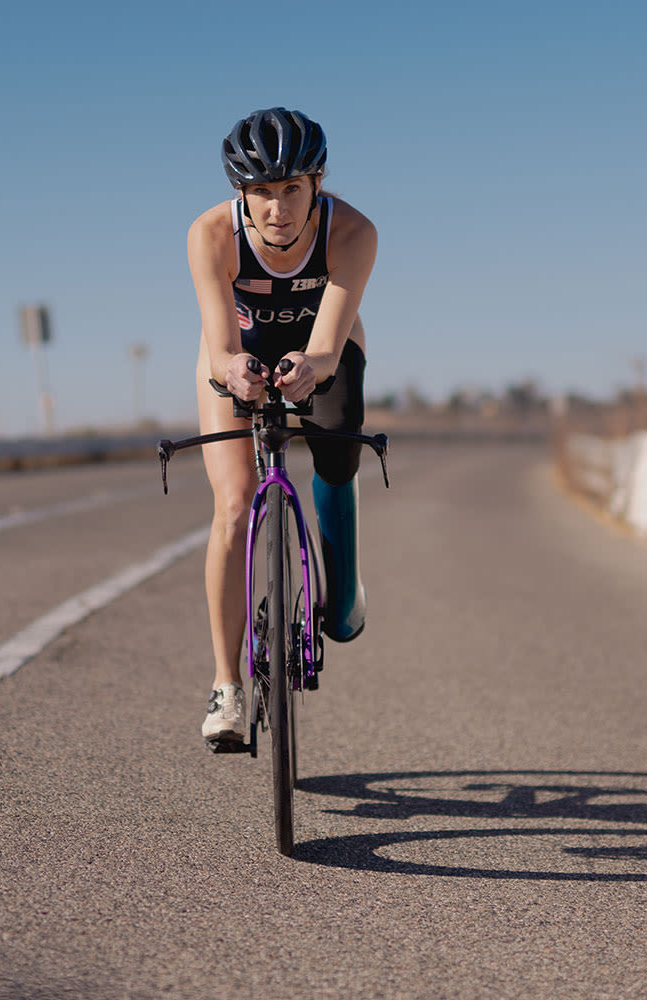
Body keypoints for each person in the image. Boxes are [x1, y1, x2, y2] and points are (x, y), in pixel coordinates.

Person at [186, 107, 378, 749]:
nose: (276, 208)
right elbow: (217, 348)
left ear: (316, 184)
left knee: (337, 458)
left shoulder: (352, 231)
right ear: (241, 193)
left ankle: (342, 590)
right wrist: (233, 370)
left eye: (291, 188)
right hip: (238, 352)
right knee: (234, 503)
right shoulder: (210, 234)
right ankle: (226, 686)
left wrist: (313, 367)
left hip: (323, 346)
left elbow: (326, 345)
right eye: (261, 192)